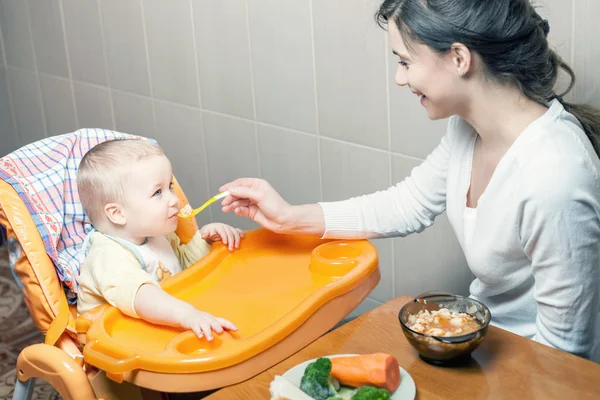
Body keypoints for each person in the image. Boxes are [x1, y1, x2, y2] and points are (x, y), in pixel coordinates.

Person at [219, 0, 600, 360]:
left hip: (531, 372)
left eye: (405, 61)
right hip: (479, 347)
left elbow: (564, 355)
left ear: (458, 58)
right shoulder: (467, 129)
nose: (400, 79)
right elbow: (406, 205)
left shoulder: (555, 176)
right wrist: (288, 217)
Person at [76, 139, 241, 340]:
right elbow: (141, 296)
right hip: (115, 342)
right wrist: (187, 315)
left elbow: (182, 267)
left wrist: (207, 240)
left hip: (159, 326)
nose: (174, 199)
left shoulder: (155, 232)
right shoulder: (107, 256)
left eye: (170, 186)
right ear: (117, 213)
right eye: (158, 192)